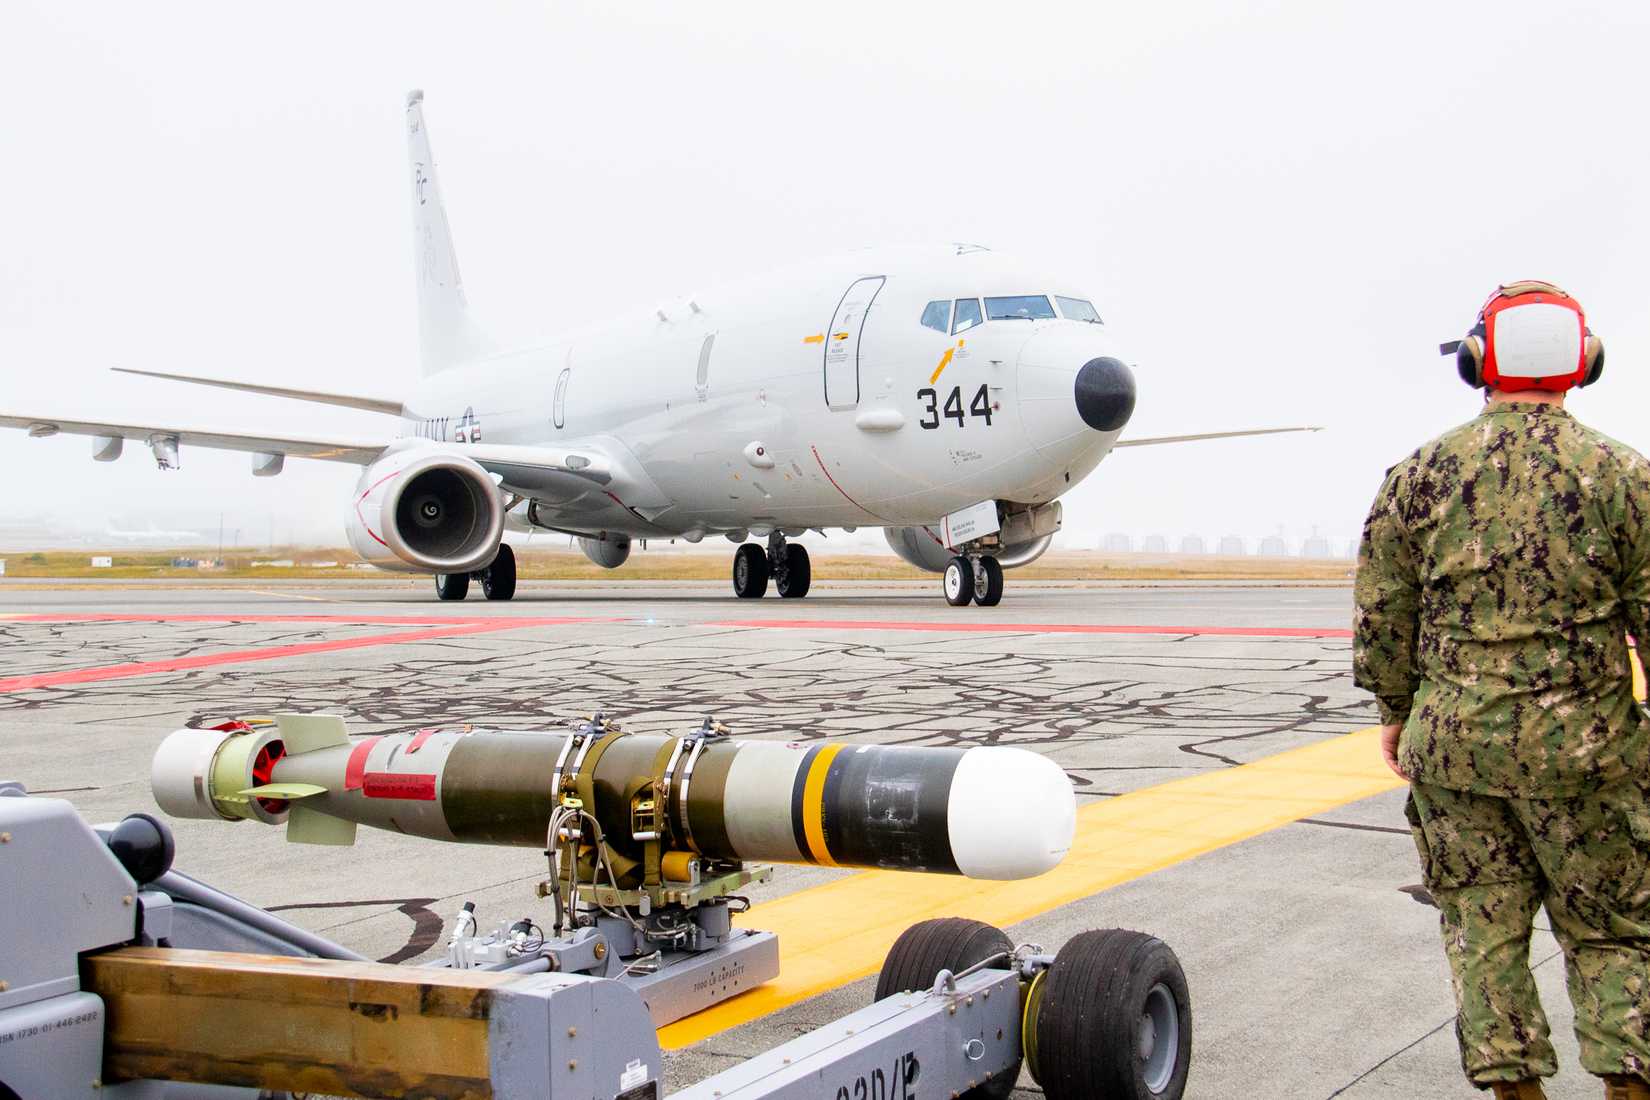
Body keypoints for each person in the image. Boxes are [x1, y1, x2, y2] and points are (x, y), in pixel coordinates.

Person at [1354, 281, 1650, 1100]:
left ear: (1479, 362)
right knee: (1614, 931)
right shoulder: (1627, 476)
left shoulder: (1419, 476)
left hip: (1455, 754)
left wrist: (1396, 712)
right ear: (1584, 361)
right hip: (1593, 759)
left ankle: (1515, 1089)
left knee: (1482, 929)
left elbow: (1383, 615)